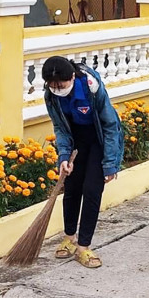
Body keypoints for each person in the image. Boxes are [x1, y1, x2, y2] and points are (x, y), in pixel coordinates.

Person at [42, 55, 124, 269]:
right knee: (72, 188)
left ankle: (83, 247)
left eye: (61, 86)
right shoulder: (51, 95)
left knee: (92, 190)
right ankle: (70, 237)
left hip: (98, 139)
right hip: (75, 139)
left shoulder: (91, 87)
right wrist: (63, 157)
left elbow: (110, 125)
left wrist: (110, 163)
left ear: (72, 77)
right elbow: (60, 127)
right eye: (53, 86)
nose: (58, 90)